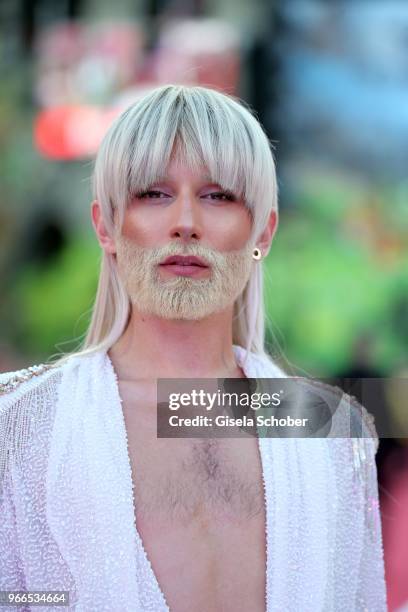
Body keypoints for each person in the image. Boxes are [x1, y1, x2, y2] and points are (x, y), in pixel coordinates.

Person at [0, 85, 387, 611]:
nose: (186, 222)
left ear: (264, 233)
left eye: (218, 195)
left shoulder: (335, 436)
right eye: (153, 193)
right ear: (106, 227)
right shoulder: (19, 427)